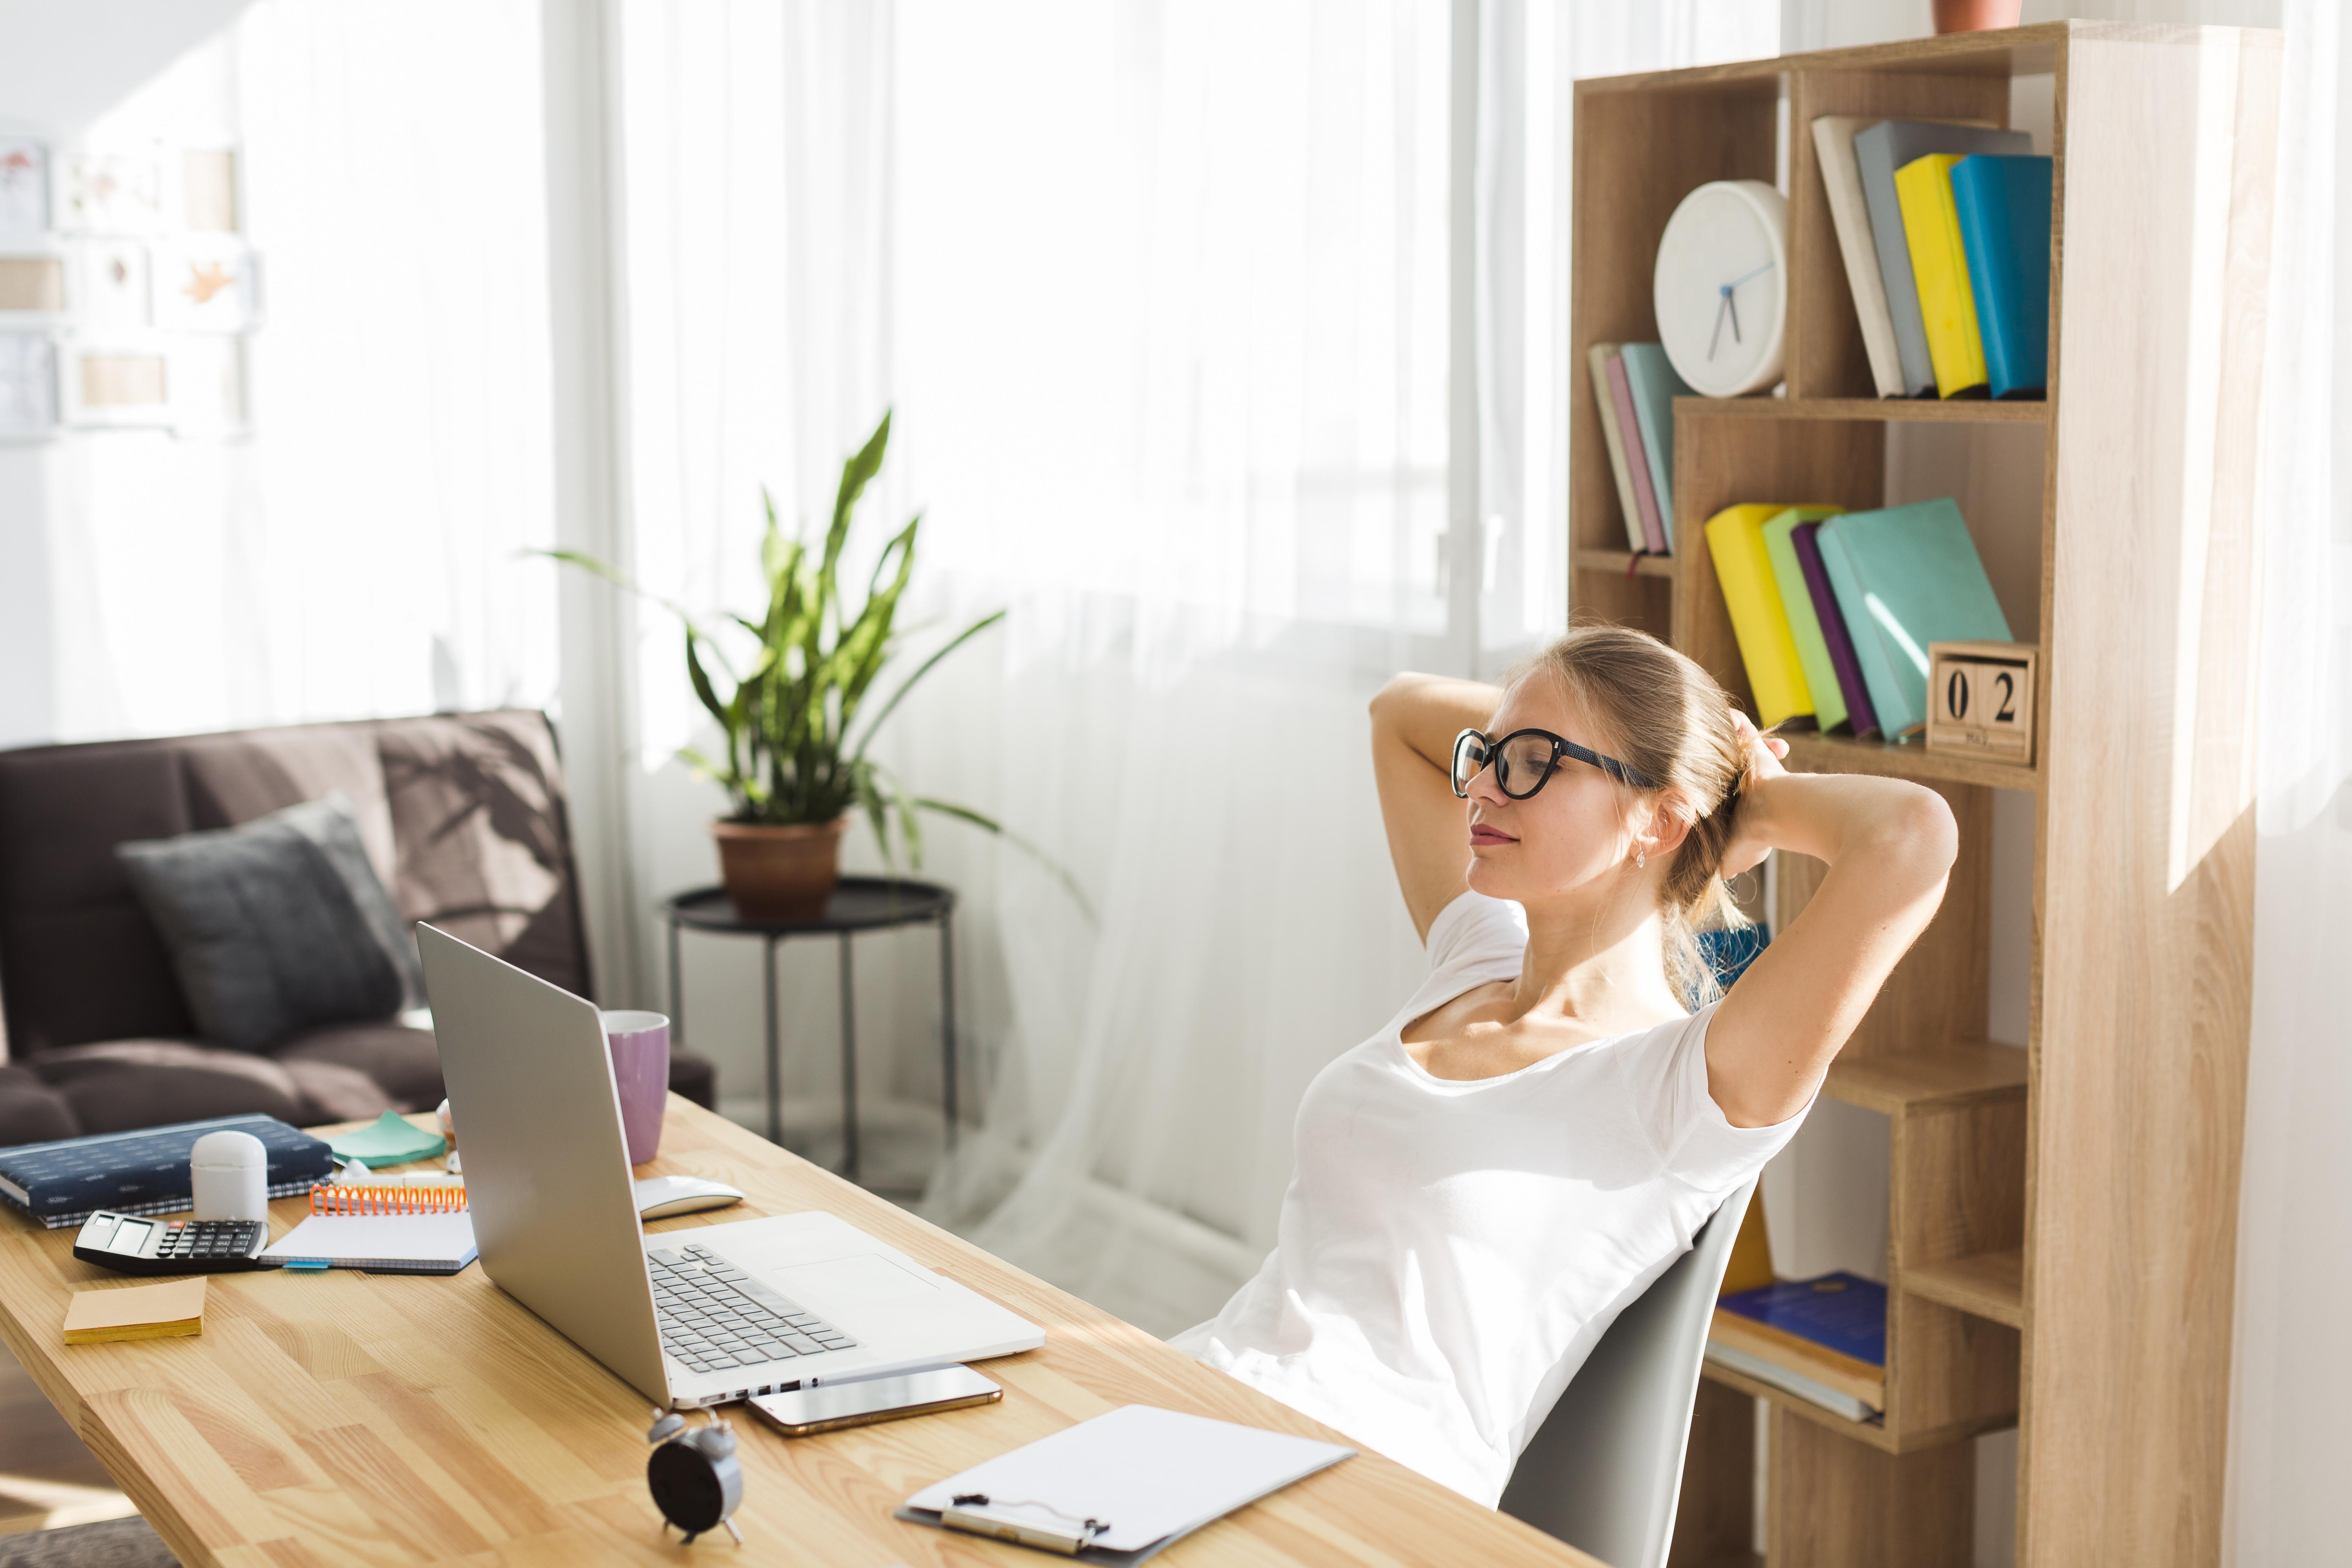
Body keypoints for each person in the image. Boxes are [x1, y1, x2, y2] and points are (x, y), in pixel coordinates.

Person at [1167, 624, 1958, 1506]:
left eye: (1533, 760)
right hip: (1201, 1405)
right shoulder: (1475, 954)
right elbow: (1398, 712)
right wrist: (1551, 727)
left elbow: (1911, 836)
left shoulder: (1682, 1088)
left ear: (1658, 819)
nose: (1479, 784)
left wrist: (1748, 799)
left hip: (1361, 1497)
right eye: (1489, 754)